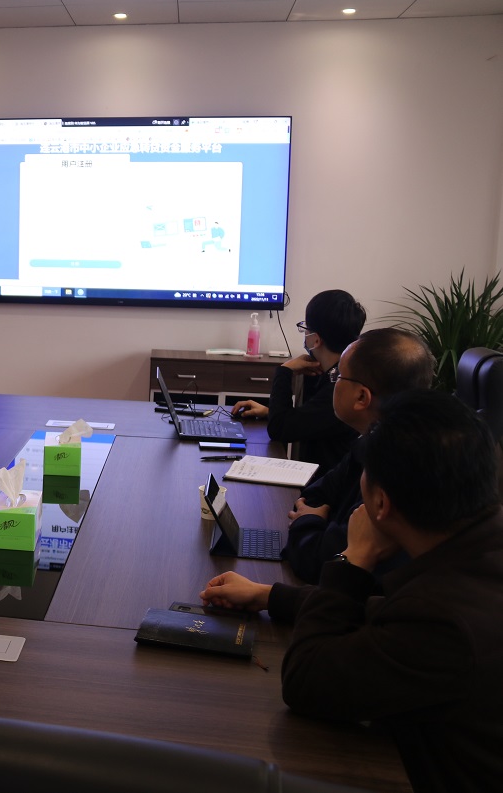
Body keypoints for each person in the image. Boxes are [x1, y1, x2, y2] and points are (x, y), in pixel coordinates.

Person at [201, 390, 503, 793]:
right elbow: (383, 616)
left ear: (380, 503)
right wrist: (270, 596)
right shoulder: (474, 558)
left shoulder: (442, 619)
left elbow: (307, 681)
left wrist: (354, 558)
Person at [282, 327, 434, 583]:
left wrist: (310, 520)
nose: (333, 383)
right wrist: (318, 522)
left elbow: (315, 562)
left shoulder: (396, 472)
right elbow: (315, 494)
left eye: (338, 376)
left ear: (362, 396)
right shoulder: (369, 441)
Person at [231, 290, 365, 475]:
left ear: (316, 339)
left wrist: (284, 371)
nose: (304, 333)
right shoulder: (337, 374)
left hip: (321, 486)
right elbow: (312, 421)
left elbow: (280, 429)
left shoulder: (339, 389)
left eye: (305, 328)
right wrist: (270, 412)